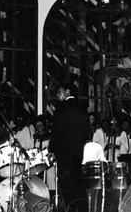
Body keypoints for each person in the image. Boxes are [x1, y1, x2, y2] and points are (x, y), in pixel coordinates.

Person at [49, 82, 89, 212]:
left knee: (66, 187)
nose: (57, 95)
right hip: (78, 153)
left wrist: (51, 149)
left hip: (64, 153)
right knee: (78, 185)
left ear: (67, 92)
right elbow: (87, 131)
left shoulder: (62, 107)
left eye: (59, 92)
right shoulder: (82, 108)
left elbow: (57, 130)